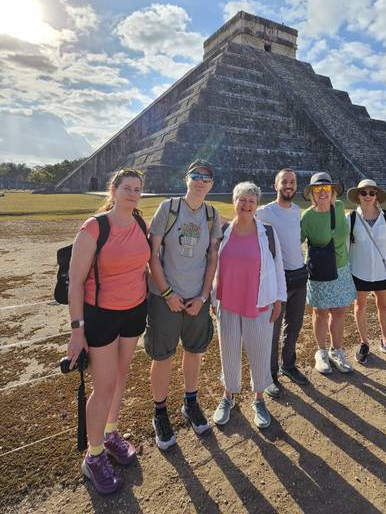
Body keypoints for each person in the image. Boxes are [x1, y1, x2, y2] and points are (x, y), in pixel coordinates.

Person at [67, 168, 151, 495]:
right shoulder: (94, 227)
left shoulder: (141, 223)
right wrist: (77, 331)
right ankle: (94, 454)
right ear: (113, 190)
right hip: (101, 314)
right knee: (103, 386)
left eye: (137, 188)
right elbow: (74, 282)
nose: (132, 193)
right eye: (126, 187)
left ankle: (111, 433)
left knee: (121, 375)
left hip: (134, 310)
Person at [145, 159, 222, 450]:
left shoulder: (212, 215)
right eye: (196, 175)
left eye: (206, 177)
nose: (201, 181)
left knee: (194, 351)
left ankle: (190, 402)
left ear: (212, 185)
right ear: (186, 179)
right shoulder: (169, 208)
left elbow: (212, 257)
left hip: (196, 298)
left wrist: (203, 296)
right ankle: (160, 412)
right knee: (162, 356)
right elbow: (152, 254)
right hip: (166, 297)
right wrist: (167, 293)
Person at [211, 182, 286, 429]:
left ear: (257, 205)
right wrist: (213, 298)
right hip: (228, 302)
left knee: (260, 351)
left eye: (251, 201)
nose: (246, 205)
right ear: (234, 202)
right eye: (242, 200)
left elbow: (277, 268)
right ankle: (228, 396)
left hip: (259, 301)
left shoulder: (268, 232)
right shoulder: (223, 231)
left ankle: (259, 399)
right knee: (229, 351)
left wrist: (278, 299)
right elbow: (214, 267)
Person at [257, 168, 309, 397]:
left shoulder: (298, 211)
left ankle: (288, 364)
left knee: (294, 326)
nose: (289, 185)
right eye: (284, 181)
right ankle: (269, 373)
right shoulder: (265, 212)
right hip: (278, 280)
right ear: (275, 185)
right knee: (273, 329)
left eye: (292, 182)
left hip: (299, 275)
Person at [301, 172, 356, 375]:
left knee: (340, 311)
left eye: (326, 188)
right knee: (321, 312)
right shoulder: (307, 217)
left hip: (341, 268)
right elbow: (294, 241)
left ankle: (337, 350)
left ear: (332, 192)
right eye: (318, 189)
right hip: (321, 272)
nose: (322, 192)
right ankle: (321, 352)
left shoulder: (339, 207)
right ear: (312, 194)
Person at [346, 179, 386, 364]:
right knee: (360, 306)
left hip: (383, 270)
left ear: (376, 196)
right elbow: (347, 248)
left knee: (384, 306)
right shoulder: (351, 218)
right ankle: (364, 342)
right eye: (363, 193)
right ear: (358, 195)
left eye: (372, 193)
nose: (368, 196)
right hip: (359, 270)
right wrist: (346, 273)